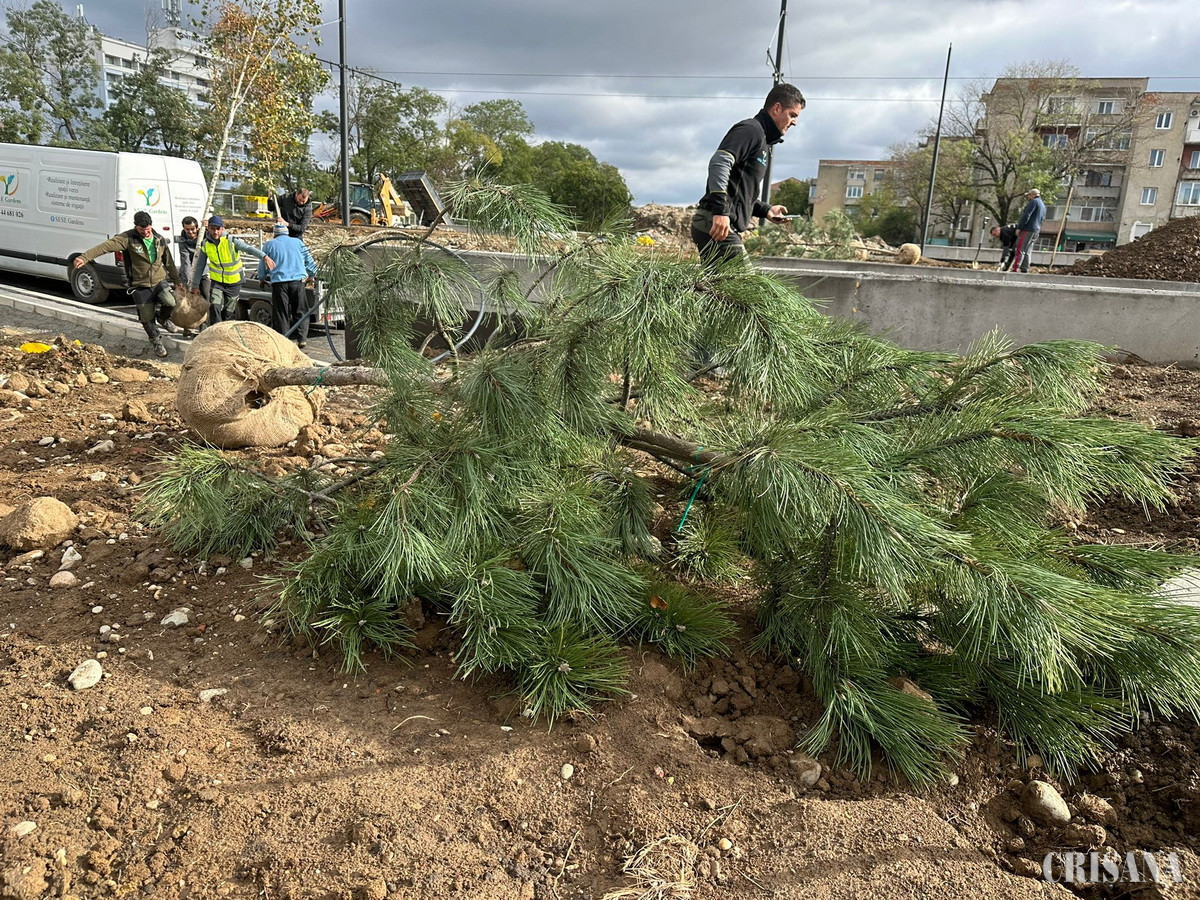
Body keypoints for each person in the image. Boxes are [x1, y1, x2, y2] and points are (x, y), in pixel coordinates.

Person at [691, 83, 806, 266]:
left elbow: (739, 193)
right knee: (747, 282)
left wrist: (766, 210)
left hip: (719, 223)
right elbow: (719, 163)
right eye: (792, 115)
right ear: (777, 108)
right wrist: (720, 212)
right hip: (716, 222)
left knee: (724, 285)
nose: (794, 122)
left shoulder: (763, 141)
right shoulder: (751, 130)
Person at [73, 210, 182, 358]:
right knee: (146, 317)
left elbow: (168, 262)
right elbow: (105, 246)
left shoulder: (159, 239)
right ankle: (156, 341)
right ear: (136, 226)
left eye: (147, 229)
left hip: (159, 281)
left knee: (170, 301)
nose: (145, 232)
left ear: (151, 225)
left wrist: (177, 281)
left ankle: (163, 318)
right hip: (140, 283)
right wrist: (85, 257)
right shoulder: (128, 238)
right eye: (142, 230)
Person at [190, 215, 273, 326]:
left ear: (222, 229)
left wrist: (264, 257)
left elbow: (248, 249)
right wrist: (195, 285)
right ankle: (216, 330)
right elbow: (200, 266)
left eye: (218, 229)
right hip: (217, 282)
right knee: (215, 306)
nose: (215, 232)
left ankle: (224, 327)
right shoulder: (205, 244)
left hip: (234, 282)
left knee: (228, 312)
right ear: (208, 228)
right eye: (212, 229)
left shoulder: (231, 241)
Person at [258, 219, 318, 348]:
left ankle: (284, 340)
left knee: (281, 312)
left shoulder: (269, 245)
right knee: (300, 310)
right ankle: (302, 338)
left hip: (279, 283)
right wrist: (312, 274)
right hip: (297, 282)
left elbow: (263, 264)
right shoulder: (298, 242)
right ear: (287, 233)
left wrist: (262, 278)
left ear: (274, 234)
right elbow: (309, 260)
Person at [175, 215, 210, 306]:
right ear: (184, 229)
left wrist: (209, 227)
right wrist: (189, 283)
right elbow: (185, 262)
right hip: (189, 273)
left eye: (192, 229)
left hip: (203, 272)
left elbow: (218, 235)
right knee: (189, 297)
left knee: (206, 293)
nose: (190, 232)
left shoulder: (205, 235)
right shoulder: (182, 241)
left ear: (197, 228)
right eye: (187, 229)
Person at [1011, 188, 1046, 274]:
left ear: (1033, 195)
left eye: (1029, 195)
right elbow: (1042, 219)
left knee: (1020, 248)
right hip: (1036, 230)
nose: (1028, 197)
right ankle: (1025, 268)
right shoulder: (1042, 205)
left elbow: (1027, 215)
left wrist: (1019, 227)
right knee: (1028, 250)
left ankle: (1016, 268)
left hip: (1027, 229)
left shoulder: (1033, 202)